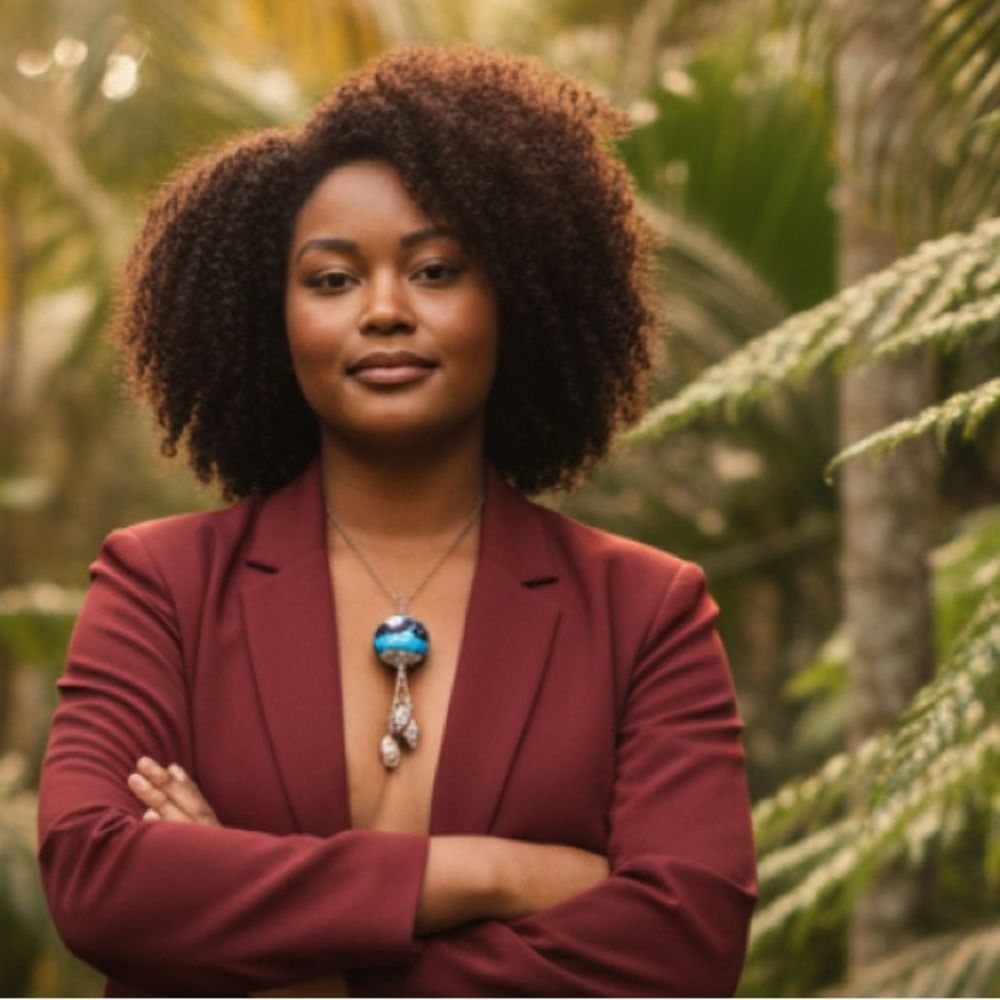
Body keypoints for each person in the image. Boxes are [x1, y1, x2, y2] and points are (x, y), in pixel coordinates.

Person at [35, 44, 757, 997]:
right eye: (332, 280)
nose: (383, 310)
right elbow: (97, 878)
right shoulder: (162, 585)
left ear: (518, 296)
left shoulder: (646, 612)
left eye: (436, 270)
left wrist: (295, 970)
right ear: (270, 314)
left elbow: (685, 945)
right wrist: (490, 873)